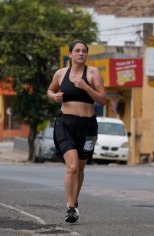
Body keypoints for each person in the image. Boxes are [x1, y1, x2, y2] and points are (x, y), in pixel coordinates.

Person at [47, 40, 106, 223]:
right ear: (70, 54)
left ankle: (74, 200)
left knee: (80, 169)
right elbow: (49, 90)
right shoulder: (60, 74)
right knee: (72, 167)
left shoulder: (94, 73)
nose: (81, 53)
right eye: (78, 51)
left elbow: (102, 99)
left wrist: (86, 87)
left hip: (88, 127)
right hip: (65, 124)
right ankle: (70, 207)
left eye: (84, 51)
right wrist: (54, 97)